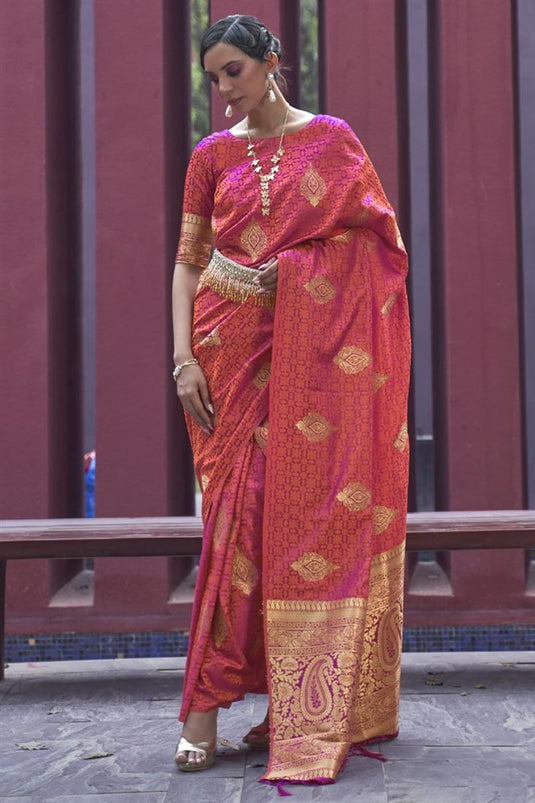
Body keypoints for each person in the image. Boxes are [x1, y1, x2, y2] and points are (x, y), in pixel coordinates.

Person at [171, 13, 411, 789]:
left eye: (233, 71)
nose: (222, 90)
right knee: (230, 524)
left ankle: (297, 707)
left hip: (310, 357)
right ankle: (201, 710)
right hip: (222, 351)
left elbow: (379, 249)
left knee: (294, 520)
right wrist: (180, 357)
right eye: (212, 78)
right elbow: (189, 262)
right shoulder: (210, 156)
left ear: (272, 62)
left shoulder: (333, 141)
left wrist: (303, 274)